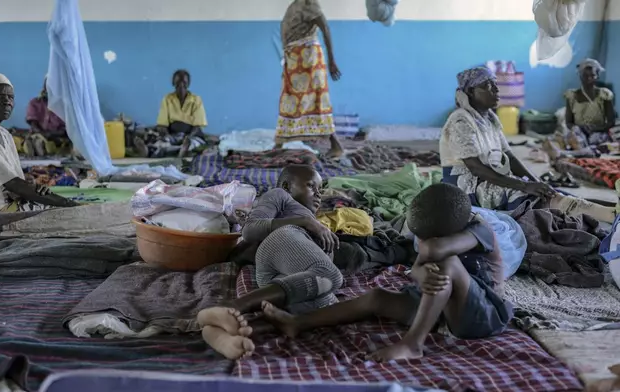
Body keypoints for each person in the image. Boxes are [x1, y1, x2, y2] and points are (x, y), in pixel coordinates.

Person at [261, 183, 513, 361]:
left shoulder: (479, 229)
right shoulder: (433, 237)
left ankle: (413, 345)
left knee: (446, 264)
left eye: (427, 238)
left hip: (481, 314)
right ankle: (297, 323)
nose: (422, 242)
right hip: (439, 304)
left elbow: (437, 249)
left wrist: (426, 254)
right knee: (378, 297)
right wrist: (421, 274)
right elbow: (416, 268)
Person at [197, 164, 343, 359]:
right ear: (286, 185)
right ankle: (232, 305)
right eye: (311, 186)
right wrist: (305, 222)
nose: (318, 194)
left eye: (320, 189)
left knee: (326, 304)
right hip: (279, 243)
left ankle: (222, 333)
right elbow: (250, 230)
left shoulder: (314, 221)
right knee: (330, 275)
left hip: (285, 280)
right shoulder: (281, 196)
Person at [440, 66, 616, 223]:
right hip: (467, 186)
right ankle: (610, 215)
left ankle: (611, 209)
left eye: (495, 84)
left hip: (491, 176)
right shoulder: (461, 122)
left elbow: (509, 156)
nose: (496, 89)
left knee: (549, 192)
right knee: (533, 197)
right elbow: (476, 169)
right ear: (470, 92)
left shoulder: (490, 119)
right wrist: (525, 186)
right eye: (487, 85)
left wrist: (536, 181)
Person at [0, 73, 78, 213]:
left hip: (10, 202)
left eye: (11, 97)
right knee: (61, 210)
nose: (7, 101)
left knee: (52, 205)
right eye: (0, 95)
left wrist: (33, 188)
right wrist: (68, 204)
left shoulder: (5, 135)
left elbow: (16, 180)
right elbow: (13, 183)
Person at [275, 0, 344, 158]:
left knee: (316, 100)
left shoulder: (309, 3)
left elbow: (325, 28)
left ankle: (336, 145)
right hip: (296, 58)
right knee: (290, 99)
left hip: (307, 58)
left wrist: (332, 61)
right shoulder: (296, 5)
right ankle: (279, 142)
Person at [134, 69, 208, 158]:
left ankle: (182, 149)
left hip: (191, 135)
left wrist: (188, 137)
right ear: (173, 83)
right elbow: (162, 125)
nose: (181, 85)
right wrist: (167, 135)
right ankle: (147, 151)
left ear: (188, 84)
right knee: (162, 142)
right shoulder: (167, 99)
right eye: (178, 82)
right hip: (173, 134)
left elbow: (197, 126)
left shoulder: (196, 100)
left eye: (184, 82)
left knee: (194, 144)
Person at [564, 58, 616, 147]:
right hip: (579, 132)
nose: (588, 79)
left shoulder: (604, 95)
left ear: (597, 76)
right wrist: (576, 128)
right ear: (580, 76)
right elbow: (569, 122)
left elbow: (611, 121)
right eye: (585, 75)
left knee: (594, 141)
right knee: (572, 140)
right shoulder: (572, 96)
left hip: (598, 132)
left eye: (592, 75)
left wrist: (595, 128)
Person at [25, 76, 71, 157]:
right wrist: (44, 134)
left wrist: (52, 134)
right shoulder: (35, 103)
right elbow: (33, 125)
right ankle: (36, 145)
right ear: (44, 86)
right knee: (35, 138)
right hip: (38, 133)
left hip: (57, 136)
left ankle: (42, 147)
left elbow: (67, 129)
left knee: (56, 144)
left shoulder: (65, 106)